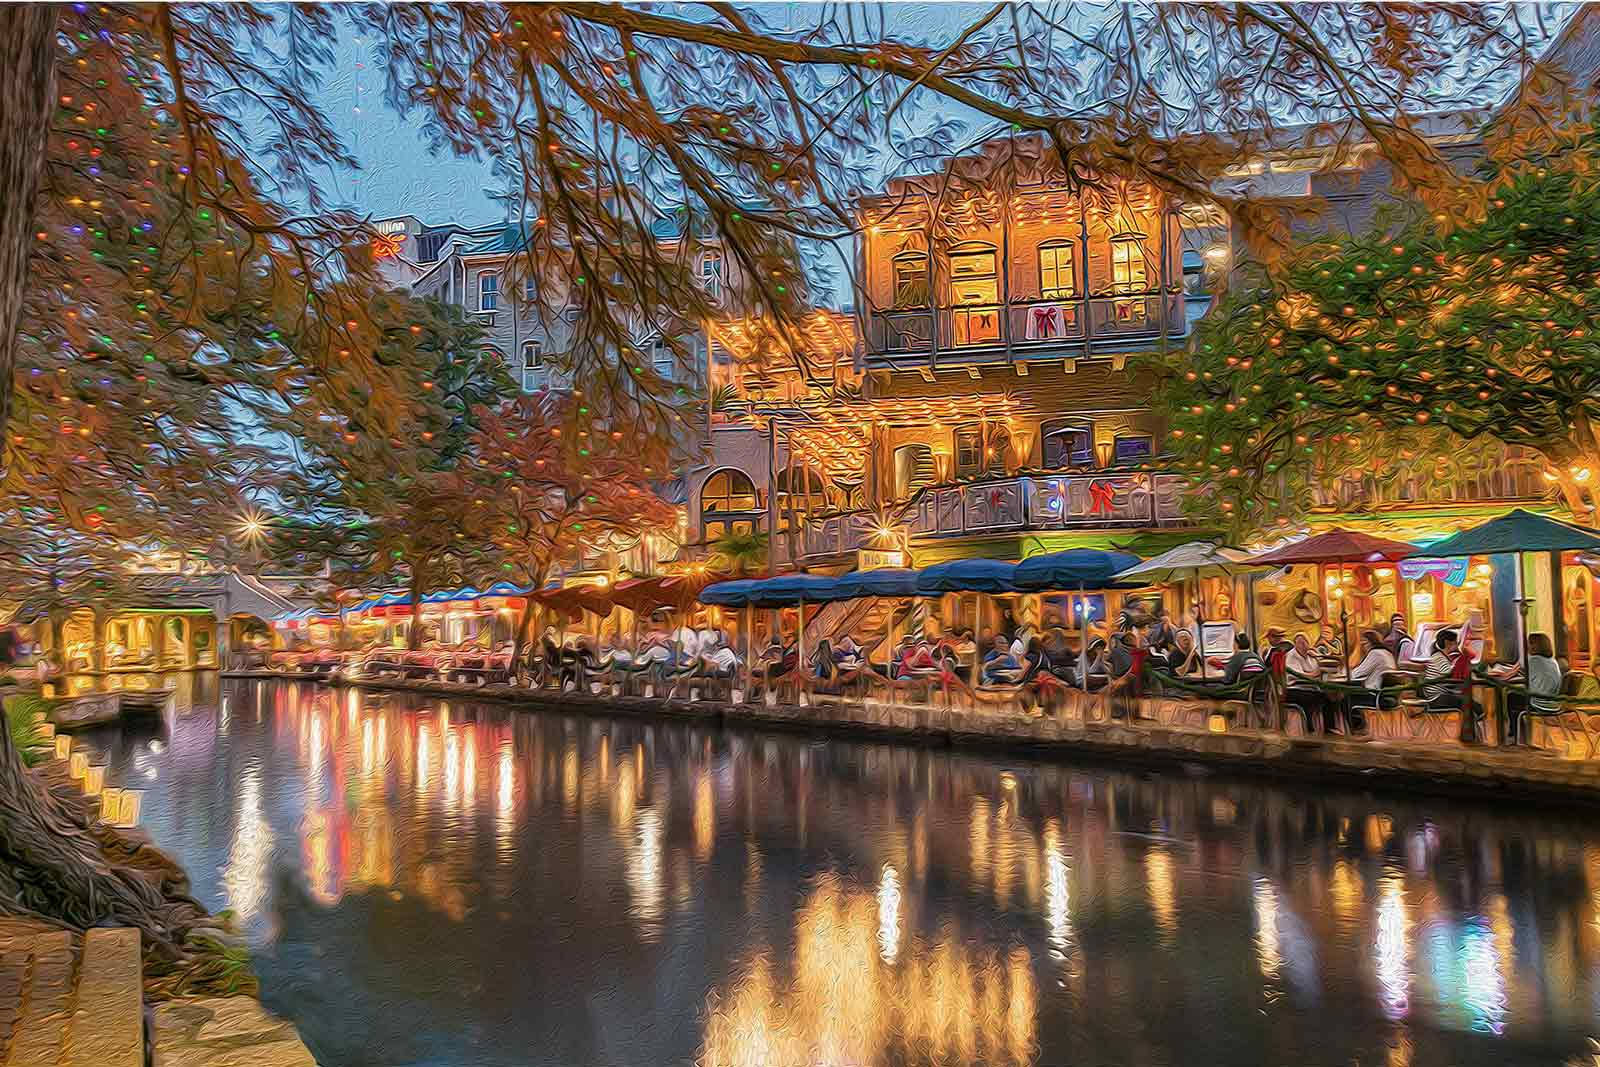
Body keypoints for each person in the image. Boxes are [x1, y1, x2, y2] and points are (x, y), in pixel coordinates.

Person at [1506, 631, 1564, 746]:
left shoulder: (1532, 660)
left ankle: (1515, 733)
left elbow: (1514, 673)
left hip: (1539, 702)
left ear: (1535, 646)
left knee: (1511, 697)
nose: (1528, 646)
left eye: (1530, 644)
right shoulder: (1553, 661)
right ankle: (1519, 732)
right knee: (1517, 696)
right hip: (1553, 703)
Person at [1423, 628, 1481, 742]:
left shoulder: (1438, 656)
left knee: (1469, 702)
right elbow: (1449, 677)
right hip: (1436, 698)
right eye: (1455, 642)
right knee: (1469, 703)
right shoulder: (1439, 658)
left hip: (1437, 695)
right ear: (1447, 643)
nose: (1457, 645)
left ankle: (1474, 728)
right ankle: (1473, 729)